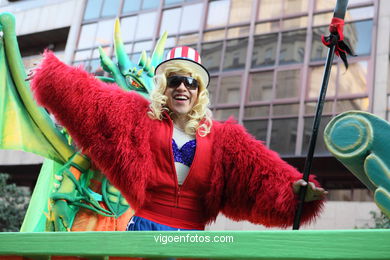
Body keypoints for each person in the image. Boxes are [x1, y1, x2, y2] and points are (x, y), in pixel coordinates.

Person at [30, 46, 327, 231]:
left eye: (191, 81)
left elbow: (260, 175)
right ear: (164, 87)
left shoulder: (224, 139)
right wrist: (52, 75)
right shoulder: (139, 118)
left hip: (191, 238)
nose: (182, 87)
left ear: (199, 91)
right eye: (174, 80)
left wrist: (295, 192)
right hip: (144, 231)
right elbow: (95, 103)